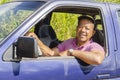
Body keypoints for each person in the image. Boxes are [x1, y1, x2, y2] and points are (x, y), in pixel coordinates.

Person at [26, 16, 105, 65]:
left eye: (87, 28)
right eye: (80, 27)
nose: (83, 30)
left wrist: (71, 52)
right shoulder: (69, 42)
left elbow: (97, 59)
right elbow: (51, 53)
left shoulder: (94, 46)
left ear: (93, 32)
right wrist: (36, 40)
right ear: (77, 28)